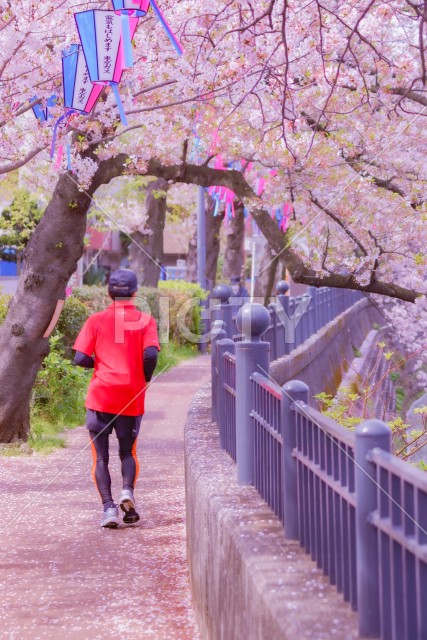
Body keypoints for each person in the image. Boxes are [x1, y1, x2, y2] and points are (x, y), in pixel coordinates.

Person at [73, 268, 160, 528]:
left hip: (101, 395)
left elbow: (79, 358)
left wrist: (100, 364)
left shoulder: (96, 320)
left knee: (100, 458)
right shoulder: (145, 321)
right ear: (135, 293)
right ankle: (127, 492)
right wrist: (142, 377)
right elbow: (151, 356)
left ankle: (109, 508)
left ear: (109, 292)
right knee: (127, 452)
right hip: (130, 396)